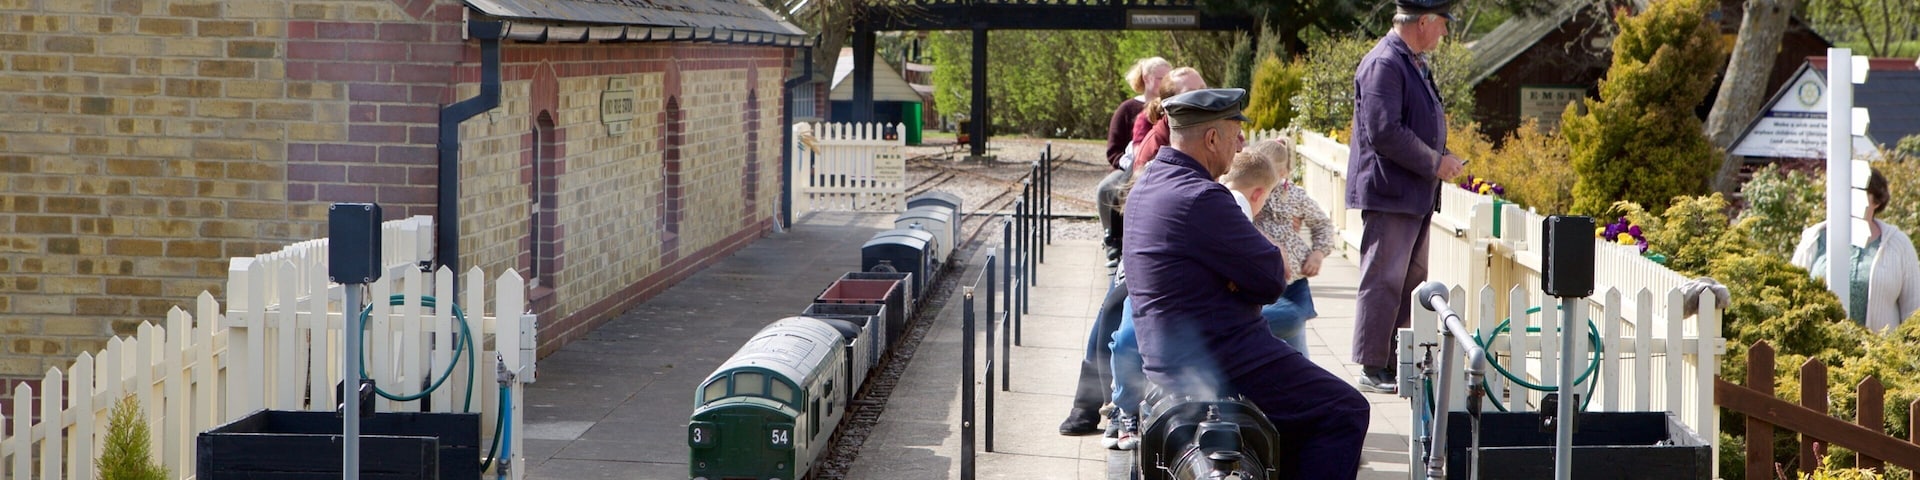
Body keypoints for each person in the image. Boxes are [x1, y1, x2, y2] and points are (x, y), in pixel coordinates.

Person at [1125, 88, 1370, 476]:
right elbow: (1272, 277)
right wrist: (1240, 279)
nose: (1242, 143)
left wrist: (1237, 279)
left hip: (1170, 357)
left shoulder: (1149, 183)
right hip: (1226, 359)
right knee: (1346, 409)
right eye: (1235, 132)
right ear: (1211, 139)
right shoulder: (1203, 197)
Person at [1346, 0, 1466, 395]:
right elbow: (1384, 131)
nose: (1445, 33)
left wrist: (1438, 160)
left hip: (1411, 193)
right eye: (1443, 24)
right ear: (1425, 21)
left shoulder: (1408, 59)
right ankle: (1372, 364)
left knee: (1409, 282)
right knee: (1384, 279)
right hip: (1391, 192)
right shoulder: (1386, 62)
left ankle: (1396, 362)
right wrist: (1435, 162)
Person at [1101, 68, 1212, 450]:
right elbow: (1142, 204)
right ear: (1168, 106)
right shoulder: (1156, 142)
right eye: (1194, 93)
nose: (1205, 98)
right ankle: (1119, 407)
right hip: (1158, 253)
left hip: (1200, 255)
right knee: (1125, 335)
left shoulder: (1219, 131)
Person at [1062, 56, 1173, 437]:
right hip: (1138, 230)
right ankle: (1088, 403)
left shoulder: (1214, 135)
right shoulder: (1144, 121)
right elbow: (1122, 159)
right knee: (1113, 310)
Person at [1791, 168, 1920, 332]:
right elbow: (1791, 294)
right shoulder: (1813, 239)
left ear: (1876, 201)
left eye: (1859, 194)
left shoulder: (1898, 244)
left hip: (1878, 353)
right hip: (1817, 354)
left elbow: (1914, 313)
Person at [1250, 139, 1336, 354]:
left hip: (1293, 282)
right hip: (1261, 280)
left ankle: (1301, 377)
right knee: (1264, 340)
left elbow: (1322, 223)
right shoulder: (1250, 195)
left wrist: (1318, 253)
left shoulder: (1294, 195)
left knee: (1296, 343)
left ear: (1283, 173)